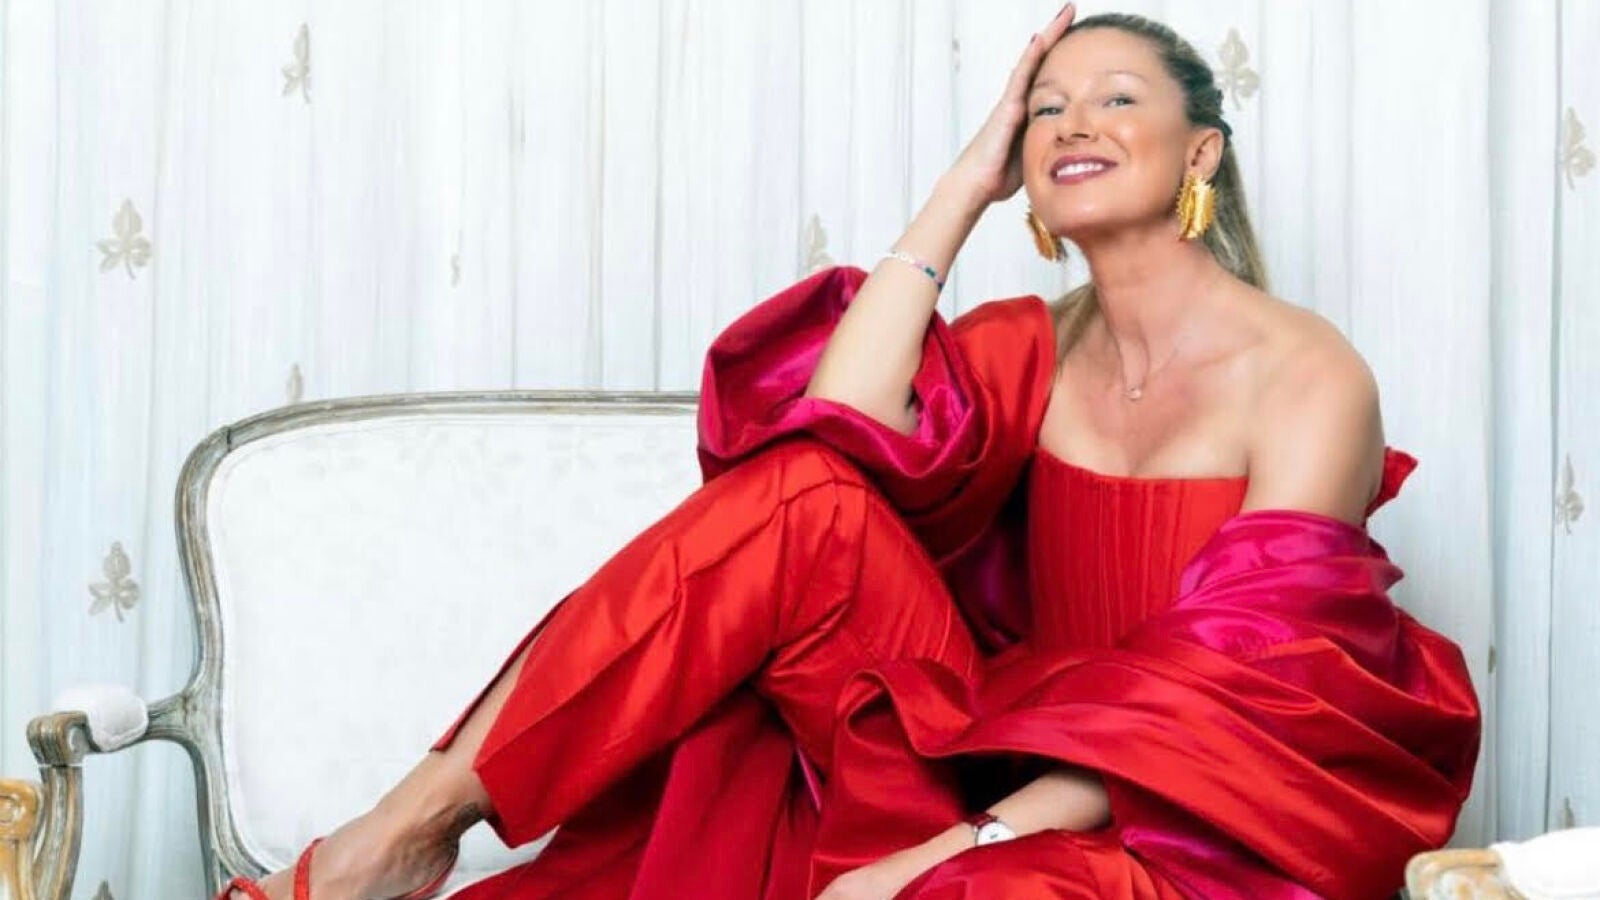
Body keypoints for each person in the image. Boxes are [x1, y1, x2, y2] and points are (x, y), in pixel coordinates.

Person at [216, 5, 1480, 900]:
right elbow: (832, 431)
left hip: (1183, 817)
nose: (1069, 122)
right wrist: (963, 187)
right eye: (1043, 107)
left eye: (1114, 98)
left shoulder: (1307, 378)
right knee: (803, 498)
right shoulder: (1034, 345)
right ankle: (411, 825)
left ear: (1200, 150)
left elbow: (1216, 713)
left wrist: (958, 848)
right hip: (985, 759)